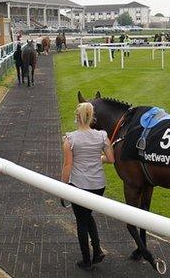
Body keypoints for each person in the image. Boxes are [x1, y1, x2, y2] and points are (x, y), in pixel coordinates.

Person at [61, 102, 115, 271]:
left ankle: (86, 260)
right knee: (87, 215)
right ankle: (97, 250)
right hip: (99, 185)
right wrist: (98, 158)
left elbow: (67, 166)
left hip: (79, 185)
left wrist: (62, 188)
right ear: (91, 117)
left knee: (81, 221)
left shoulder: (70, 139)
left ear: (77, 117)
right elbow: (111, 159)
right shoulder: (102, 136)